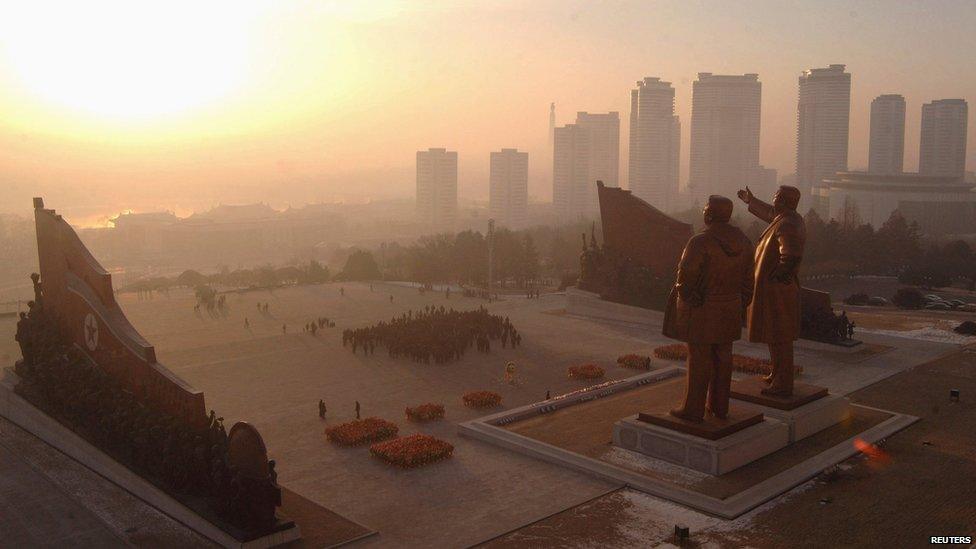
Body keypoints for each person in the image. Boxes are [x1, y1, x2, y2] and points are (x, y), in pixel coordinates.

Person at [664, 195, 755, 422]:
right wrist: (738, 303)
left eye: (705, 209)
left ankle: (692, 409)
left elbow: (685, 278)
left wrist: (688, 297)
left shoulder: (700, 242)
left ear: (710, 214)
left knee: (699, 358)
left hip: (704, 310)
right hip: (730, 308)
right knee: (724, 356)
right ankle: (719, 407)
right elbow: (748, 281)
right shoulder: (744, 242)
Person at [737, 185, 806, 397]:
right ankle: (776, 373)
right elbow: (770, 213)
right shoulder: (786, 219)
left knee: (780, 337)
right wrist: (752, 201)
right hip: (774, 289)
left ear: (785, 201)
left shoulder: (788, 225)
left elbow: (791, 255)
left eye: (776, 196)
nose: (773, 199)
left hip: (777, 291)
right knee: (774, 335)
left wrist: (778, 276)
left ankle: (783, 383)